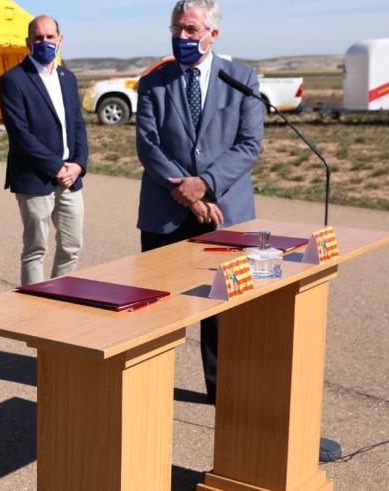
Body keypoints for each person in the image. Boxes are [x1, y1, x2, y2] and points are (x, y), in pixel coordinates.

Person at [135, 0, 263, 403]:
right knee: (160, 308)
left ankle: (220, 390)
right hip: (167, 213)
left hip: (226, 211)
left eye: (191, 30)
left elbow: (249, 145)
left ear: (213, 34)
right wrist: (191, 197)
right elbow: (149, 146)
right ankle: (151, 389)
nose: (182, 37)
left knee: (223, 309)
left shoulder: (242, 79)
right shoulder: (153, 81)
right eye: (177, 29)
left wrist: (205, 184)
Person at [0, 15, 89, 286]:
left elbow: (78, 126)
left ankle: (60, 302)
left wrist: (78, 164)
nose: (45, 42)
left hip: (71, 176)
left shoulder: (67, 78)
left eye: (50, 37)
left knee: (72, 246)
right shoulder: (13, 80)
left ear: (60, 40)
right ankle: (35, 314)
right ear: (28, 41)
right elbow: (20, 134)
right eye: (39, 37)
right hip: (35, 177)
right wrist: (55, 167)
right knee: (36, 249)